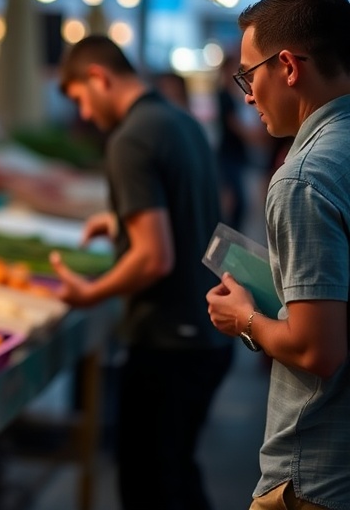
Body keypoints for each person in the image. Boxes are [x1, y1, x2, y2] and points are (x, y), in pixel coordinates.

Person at [51, 35, 233, 510]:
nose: (85, 115)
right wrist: (121, 221)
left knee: (152, 489)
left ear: (98, 77)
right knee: (178, 477)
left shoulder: (130, 138)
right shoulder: (179, 120)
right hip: (206, 337)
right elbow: (184, 211)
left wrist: (91, 294)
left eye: (79, 100)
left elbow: (155, 257)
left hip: (167, 342)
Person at [206, 0, 350, 510]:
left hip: (316, 476)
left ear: (288, 67)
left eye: (250, 74)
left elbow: (319, 349)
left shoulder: (302, 177)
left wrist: (244, 317)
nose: (247, 94)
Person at [216, 53, 252, 231]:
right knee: (234, 202)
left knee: (239, 203)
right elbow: (234, 124)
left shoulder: (233, 95)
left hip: (235, 155)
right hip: (228, 155)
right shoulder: (224, 95)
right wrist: (256, 136)